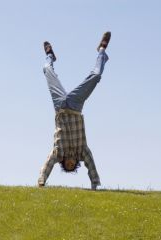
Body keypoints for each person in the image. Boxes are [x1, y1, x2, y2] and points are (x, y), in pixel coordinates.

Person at [38, 32, 111, 190]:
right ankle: (102, 51)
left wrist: (41, 181)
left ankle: (50, 55)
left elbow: (48, 164)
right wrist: (94, 184)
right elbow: (90, 165)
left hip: (60, 106)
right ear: (76, 163)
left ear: (64, 164)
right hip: (76, 106)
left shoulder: (58, 153)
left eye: (68, 166)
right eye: (73, 166)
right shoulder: (82, 152)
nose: (71, 163)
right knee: (96, 76)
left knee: (46, 69)